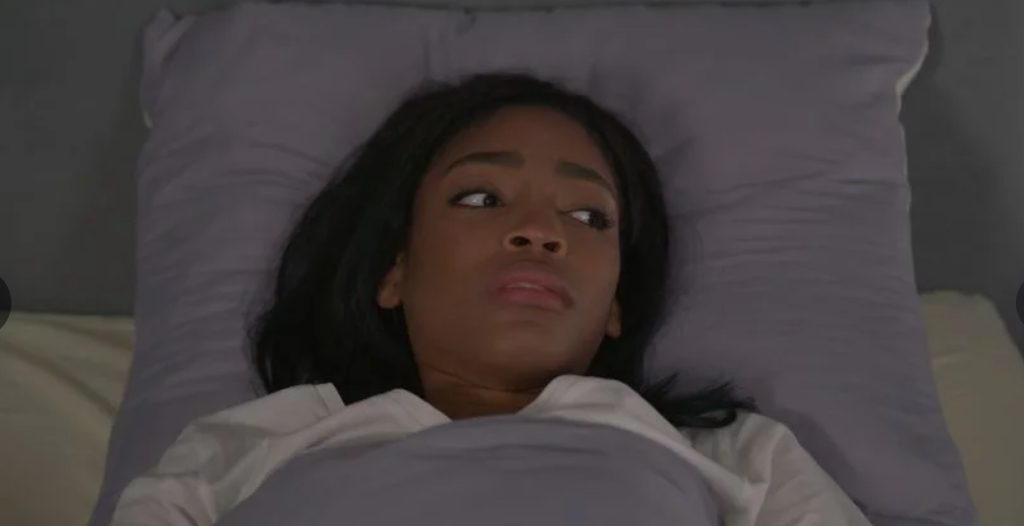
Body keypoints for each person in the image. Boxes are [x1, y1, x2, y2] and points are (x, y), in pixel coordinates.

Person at [108, 72, 871, 526]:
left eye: (588, 217)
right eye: (481, 198)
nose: (540, 231)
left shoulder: (732, 456)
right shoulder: (248, 447)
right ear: (394, 271)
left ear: (615, 303)